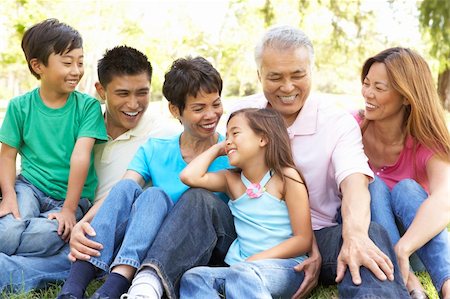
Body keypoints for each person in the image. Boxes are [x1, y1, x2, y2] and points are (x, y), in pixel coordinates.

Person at [124, 25, 411, 299]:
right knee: (198, 198)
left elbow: (355, 184)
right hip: (246, 235)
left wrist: (354, 234)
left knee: (369, 233)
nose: (287, 87)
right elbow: (193, 134)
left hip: (316, 236)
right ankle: (150, 282)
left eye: (297, 74)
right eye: (275, 77)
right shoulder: (240, 113)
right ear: (259, 74)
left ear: (312, 71)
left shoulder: (337, 122)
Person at [0, 45, 179, 293]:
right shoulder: (82, 124)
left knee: (47, 260)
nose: (134, 104)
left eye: (142, 93)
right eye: (123, 93)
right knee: (32, 228)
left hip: (104, 234)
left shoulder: (162, 134)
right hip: (63, 216)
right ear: (101, 91)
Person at [58, 56, 231, 299]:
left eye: (216, 104)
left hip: (207, 246)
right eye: (199, 108)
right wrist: (82, 225)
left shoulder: (232, 152)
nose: (211, 115)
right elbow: (120, 191)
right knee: (141, 191)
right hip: (154, 244)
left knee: (197, 196)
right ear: (175, 110)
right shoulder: (156, 149)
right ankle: (76, 289)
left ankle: (127, 283)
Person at [0, 18, 107, 258]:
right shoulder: (20, 107)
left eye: (80, 62)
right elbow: (7, 156)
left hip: (71, 198)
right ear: (38, 66)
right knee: (8, 230)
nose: (76, 71)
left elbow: (81, 156)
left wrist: (69, 210)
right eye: (67, 63)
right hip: (30, 187)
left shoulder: (87, 107)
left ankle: (15, 248)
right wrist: (8, 197)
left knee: (48, 234)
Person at [179, 108, 312, 298]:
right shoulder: (231, 181)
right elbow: (189, 176)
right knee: (194, 277)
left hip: (285, 267)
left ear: (262, 139)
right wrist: (217, 148)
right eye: (226, 136)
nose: (228, 141)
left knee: (241, 274)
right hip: (240, 268)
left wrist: (255, 261)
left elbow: (303, 240)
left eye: (235, 133)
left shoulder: (286, 177)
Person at [357, 47, 450, 299]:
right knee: (371, 185)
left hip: (417, 247)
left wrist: (403, 248)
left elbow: (445, 200)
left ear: (406, 97)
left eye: (379, 87)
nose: (368, 93)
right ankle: (410, 286)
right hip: (372, 241)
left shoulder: (427, 142)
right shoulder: (354, 128)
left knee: (407, 188)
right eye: (366, 84)